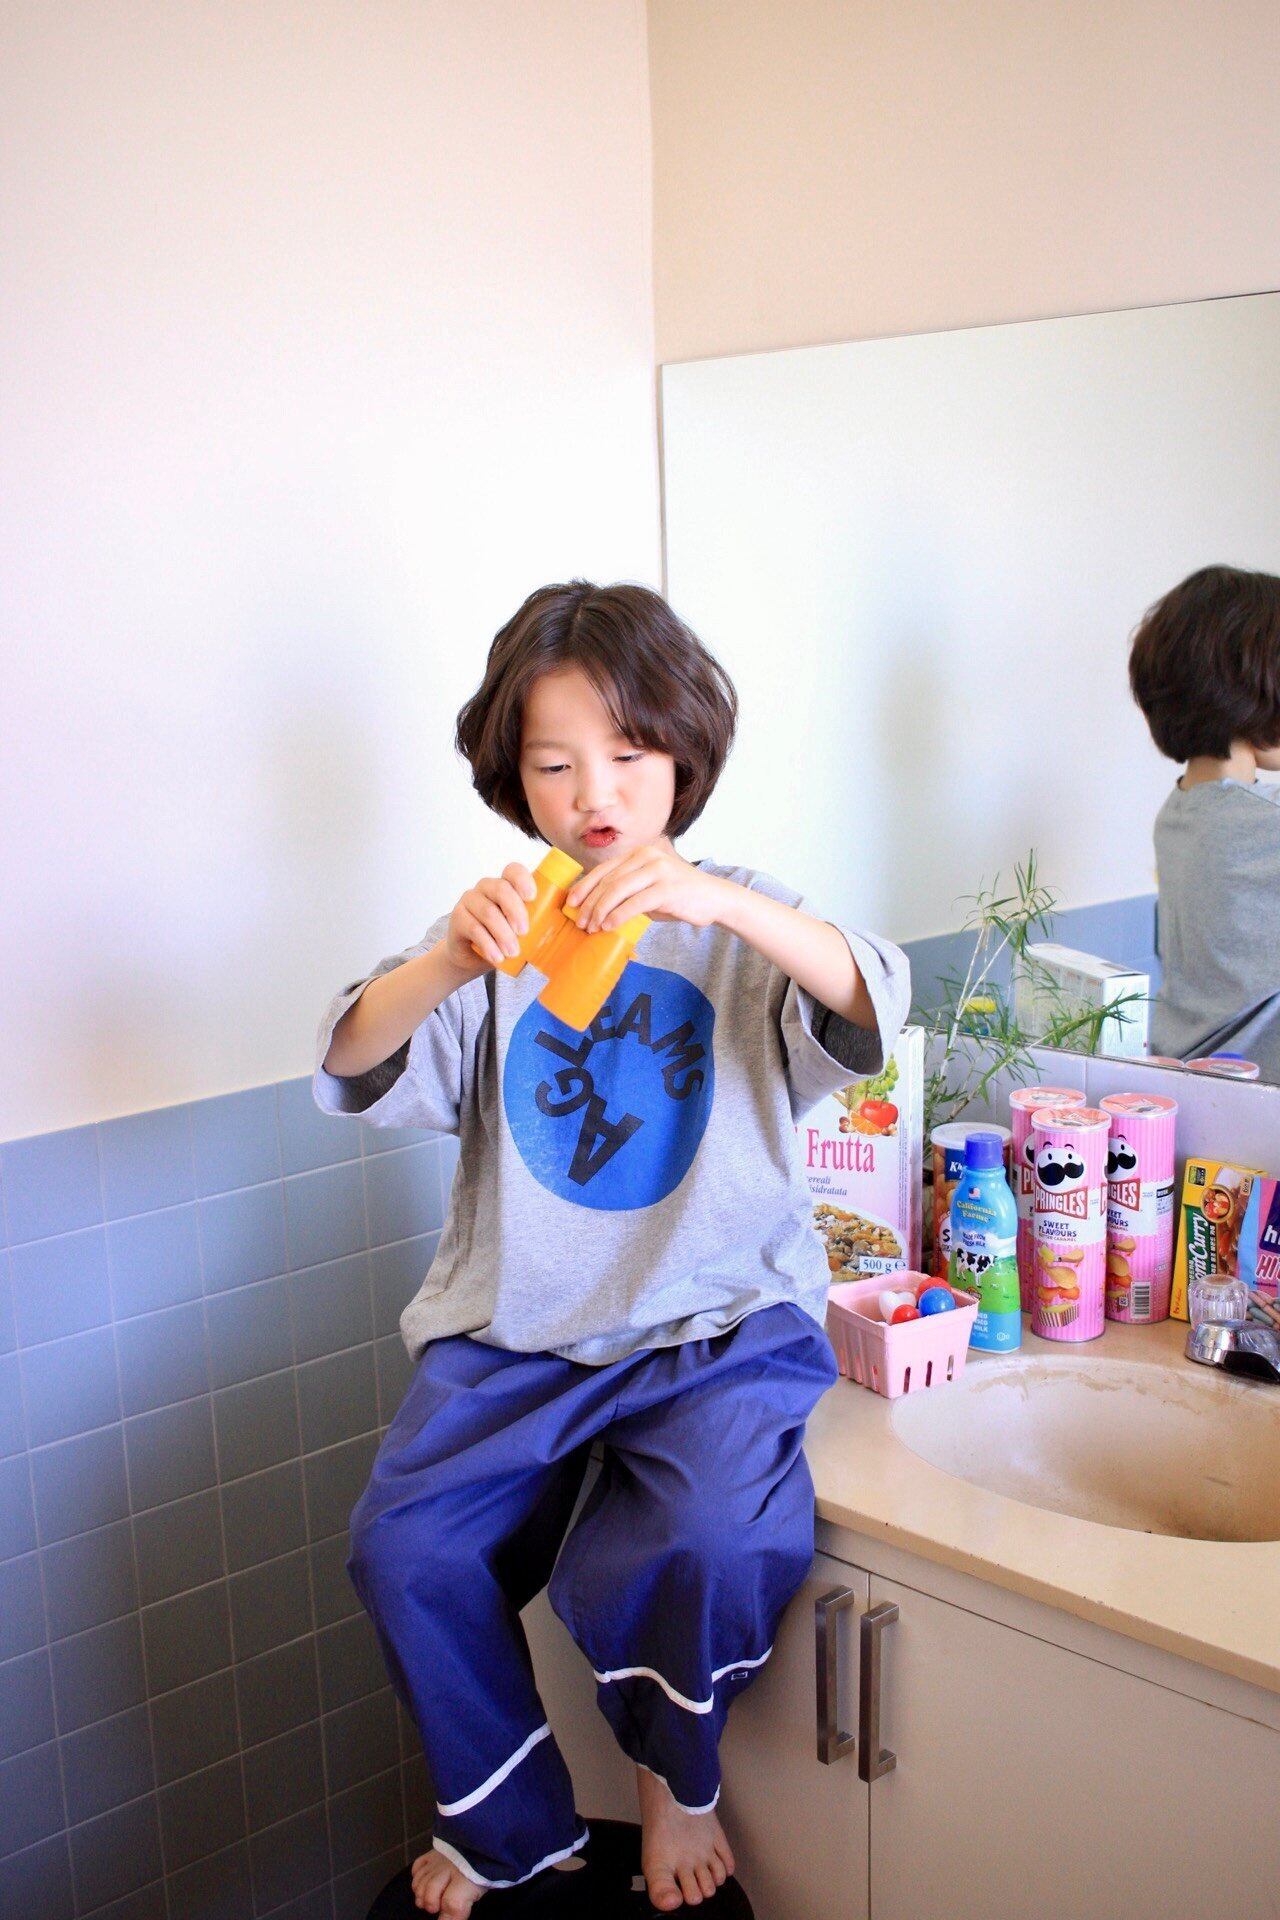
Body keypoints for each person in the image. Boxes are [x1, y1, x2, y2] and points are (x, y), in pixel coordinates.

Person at [314, 580, 910, 1916]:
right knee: (402, 1548)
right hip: (522, 1329)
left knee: (703, 1537)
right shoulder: (500, 929)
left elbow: (872, 997)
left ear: (683, 753)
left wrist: (720, 904)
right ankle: (510, 1826)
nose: (596, 793)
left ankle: (673, 1777)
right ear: (512, 778)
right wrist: (444, 965)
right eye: (555, 763)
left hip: (715, 1319)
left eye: (631, 753)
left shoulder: (739, 917)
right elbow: (352, 1055)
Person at [1128, 564, 1280, 1082]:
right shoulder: (1266, 824)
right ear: (1251, 691)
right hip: (1256, 1094)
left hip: (1179, 1071)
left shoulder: (1177, 813)